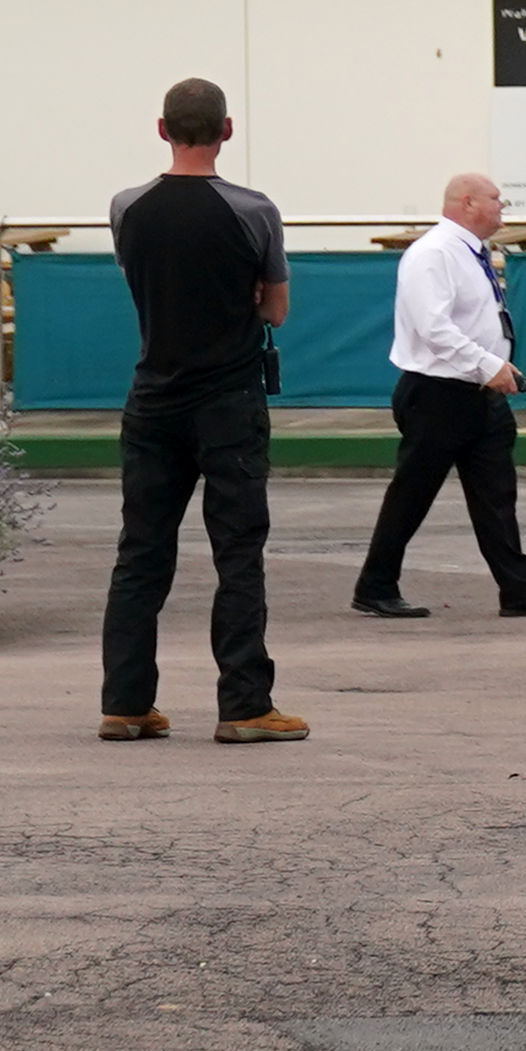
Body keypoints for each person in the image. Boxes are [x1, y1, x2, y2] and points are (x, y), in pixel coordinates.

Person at [100, 75, 298, 746]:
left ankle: (126, 703)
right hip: (228, 400)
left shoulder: (128, 207)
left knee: (141, 553)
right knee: (237, 553)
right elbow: (275, 307)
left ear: (162, 129)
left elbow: (143, 284)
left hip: (152, 397)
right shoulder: (255, 210)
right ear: (228, 130)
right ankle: (244, 704)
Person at [351, 173, 526, 622]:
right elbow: (433, 328)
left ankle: (519, 589)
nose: (502, 206)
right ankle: (375, 585)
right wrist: (487, 364)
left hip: (480, 395)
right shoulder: (433, 254)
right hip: (438, 395)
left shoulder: (471, 253)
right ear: (468, 202)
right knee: (412, 493)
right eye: (495, 199)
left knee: (496, 495)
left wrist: (496, 364)